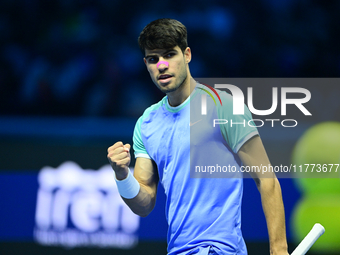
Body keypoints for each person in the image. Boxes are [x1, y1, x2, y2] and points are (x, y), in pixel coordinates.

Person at [107, 18, 289, 255]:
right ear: (146, 64)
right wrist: (122, 176)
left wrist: (279, 249)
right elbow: (144, 204)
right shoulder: (146, 124)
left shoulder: (224, 106)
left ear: (187, 54)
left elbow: (267, 179)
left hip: (221, 250)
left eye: (170, 55)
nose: (162, 65)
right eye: (153, 59)